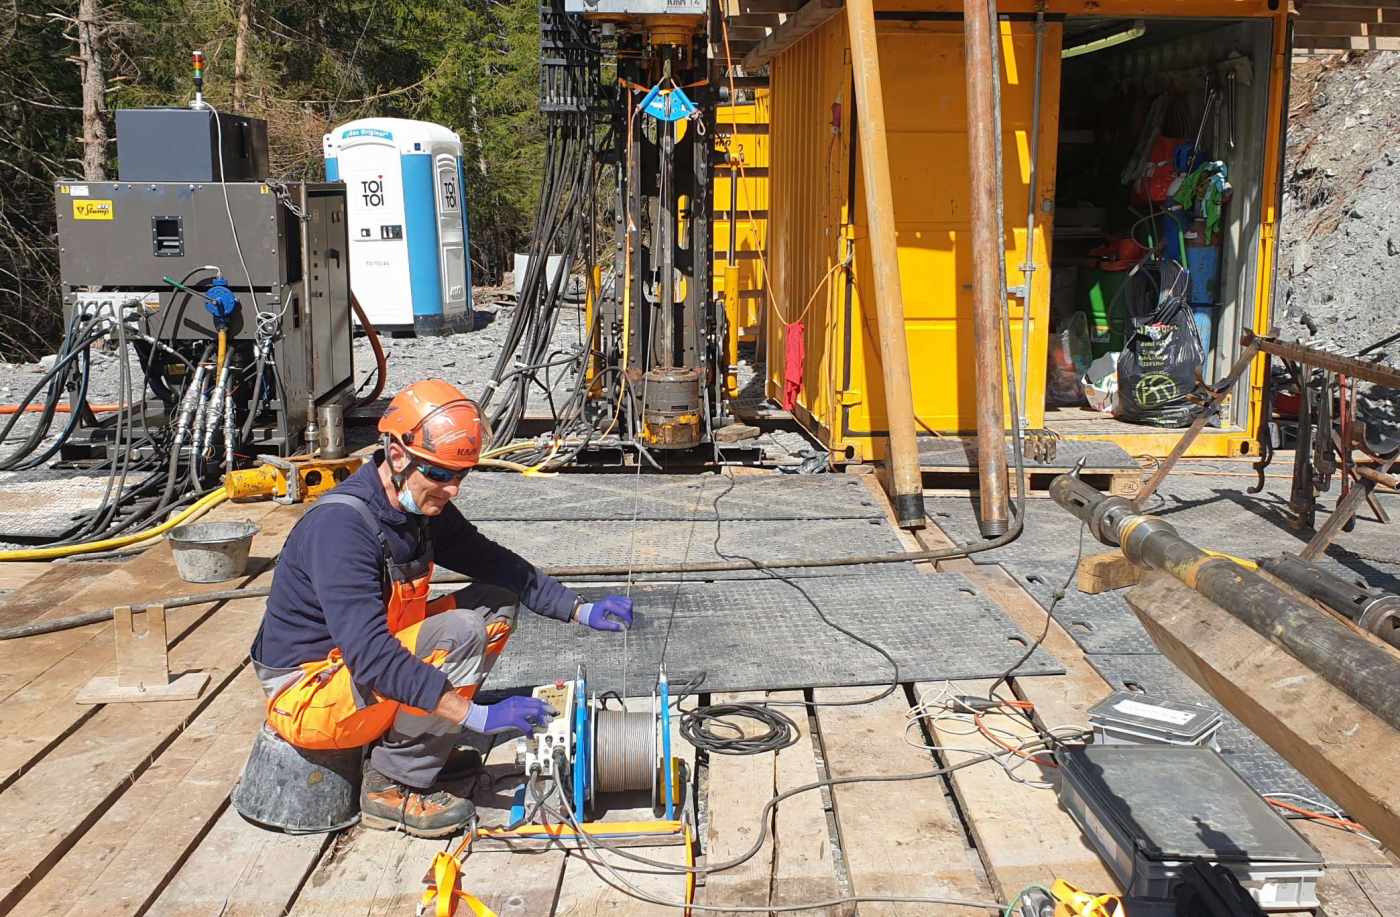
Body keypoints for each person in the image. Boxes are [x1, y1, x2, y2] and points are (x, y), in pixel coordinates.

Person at [249, 380, 633, 837]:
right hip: (311, 695)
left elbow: (494, 562)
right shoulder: (342, 529)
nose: (451, 489)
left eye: (460, 475)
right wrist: (479, 718)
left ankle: (419, 740)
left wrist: (577, 609)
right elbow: (371, 657)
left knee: (494, 601)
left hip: (362, 674)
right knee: (463, 630)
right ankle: (392, 785)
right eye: (439, 473)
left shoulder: (417, 507)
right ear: (396, 454)